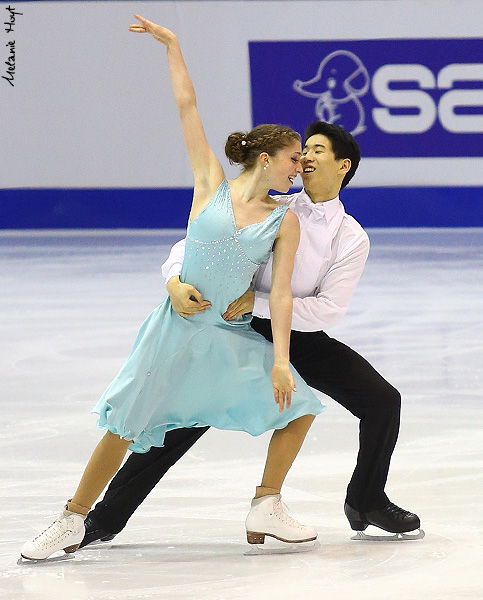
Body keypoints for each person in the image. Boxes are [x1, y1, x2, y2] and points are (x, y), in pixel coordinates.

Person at [20, 15, 325, 561]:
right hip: (173, 332)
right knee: (122, 426)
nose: (298, 167)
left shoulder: (285, 220)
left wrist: (280, 358)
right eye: (292, 158)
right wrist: (172, 46)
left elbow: (279, 293)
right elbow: (188, 108)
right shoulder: (209, 181)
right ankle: (70, 519)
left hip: (226, 339)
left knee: (299, 405)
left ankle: (266, 503)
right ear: (265, 158)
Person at [79, 119, 422, 549]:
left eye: (316, 151)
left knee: (383, 401)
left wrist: (258, 304)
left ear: (343, 165)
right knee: (183, 420)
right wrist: (173, 281)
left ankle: (367, 499)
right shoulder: (270, 202)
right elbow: (195, 246)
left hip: (297, 333)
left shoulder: (351, 237)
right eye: (302, 153)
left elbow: (328, 309)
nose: (306, 159)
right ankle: (104, 518)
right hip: (232, 328)